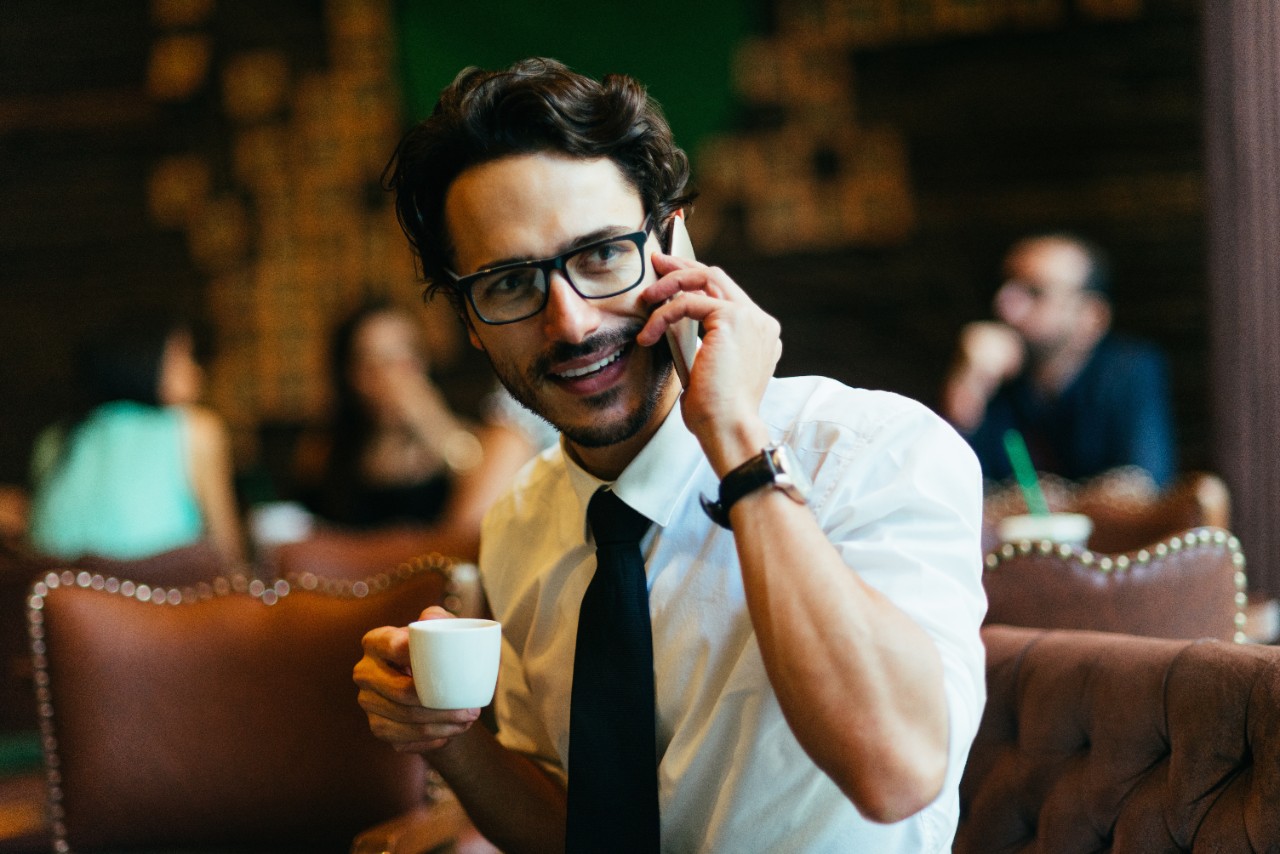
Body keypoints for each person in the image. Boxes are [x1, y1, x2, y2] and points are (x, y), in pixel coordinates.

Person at [353, 58, 986, 853]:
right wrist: (446, 733)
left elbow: (895, 772)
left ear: (672, 238)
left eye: (601, 255)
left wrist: (737, 444)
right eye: (511, 283)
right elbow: (575, 834)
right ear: (469, 318)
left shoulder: (875, 452)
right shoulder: (522, 520)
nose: (573, 323)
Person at [294, 298, 543, 542]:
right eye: (371, 364)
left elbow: (479, 512)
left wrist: (430, 422)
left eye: (401, 360)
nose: (389, 377)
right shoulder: (325, 453)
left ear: (424, 361)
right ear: (350, 377)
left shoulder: (479, 439)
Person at [941, 233, 1176, 488]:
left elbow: (1145, 489)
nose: (1003, 304)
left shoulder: (1129, 370)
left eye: (1035, 292)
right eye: (1006, 286)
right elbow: (952, 492)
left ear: (1091, 317)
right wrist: (968, 386)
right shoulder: (994, 379)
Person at [27, 316, 244, 565]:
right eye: (184, 356)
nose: (197, 371)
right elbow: (226, 551)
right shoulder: (195, 429)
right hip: (158, 595)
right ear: (144, 362)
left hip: (62, 598)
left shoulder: (55, 437)